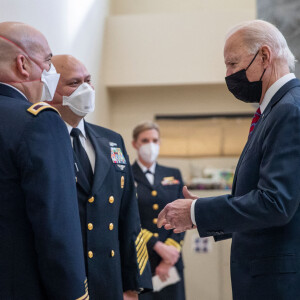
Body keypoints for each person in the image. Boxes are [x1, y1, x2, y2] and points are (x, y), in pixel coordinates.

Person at [157, 20, 300, 299]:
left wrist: (197, 212)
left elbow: (276, 203)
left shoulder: (288, 111)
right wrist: (202, 212)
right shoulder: (273, 112)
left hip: (277, 283)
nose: (228, 74)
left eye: (233, 64)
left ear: (264, 56)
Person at [48, 54, 152, 300]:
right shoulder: (43, 141)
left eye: (88, 81)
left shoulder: (111, 140)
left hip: (110, 279)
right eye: (74, 83)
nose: (86, 89)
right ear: (50, 90)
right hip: (67, 280)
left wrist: (133, 284)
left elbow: (128, 215)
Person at [0, 22, 88, 299]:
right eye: (48, 61)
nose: (50, 72)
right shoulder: (37, 122)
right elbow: (57, 229)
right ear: (23, 64)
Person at [131, 121, 185, 300]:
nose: (150, 145)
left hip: (171, 262)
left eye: (154, 140)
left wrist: (169, 255)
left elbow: (183, 216)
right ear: (135, 144)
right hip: (140, 261)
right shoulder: (125, 175)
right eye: (145, 140)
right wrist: (157, 246)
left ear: (160, 143)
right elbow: (126, 219)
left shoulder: (173, 174)